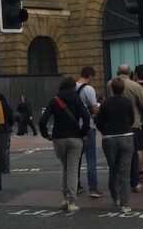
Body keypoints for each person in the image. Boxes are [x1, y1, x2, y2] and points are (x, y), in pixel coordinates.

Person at [39, 76, 91, 213]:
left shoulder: (54, 100)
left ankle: (64, 199)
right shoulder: (76, 99)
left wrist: (46, 135)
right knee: (73, 169)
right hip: (75, 137)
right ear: (73, 87)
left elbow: (42, 121)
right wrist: (84, 132)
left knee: (65, 167)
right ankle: (72, 202)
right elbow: (86, 117)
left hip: (58, 138)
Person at [106, 63, 143, 193]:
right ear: (130, 73)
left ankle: (117, 184)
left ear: (117, 72)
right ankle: (134, 182)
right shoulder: (135, 86)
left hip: (113, 124)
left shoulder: (110, 84)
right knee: (133, 154)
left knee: (116, 156)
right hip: (133, 124)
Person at [96, 77, 135, 213]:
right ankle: (125, 204)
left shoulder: (105, 104)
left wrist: (105, 131)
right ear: (123, 88)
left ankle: (115, 197)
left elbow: (98, 121)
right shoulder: (128, 102)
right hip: (126, 136)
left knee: (113, 169)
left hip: (109, 138)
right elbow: (131, 119)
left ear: (112, 88)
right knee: (125, 170)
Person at [75, 66, 101, 198]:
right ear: (90, 76)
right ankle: (93, 188)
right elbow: (93, 110)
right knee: (91, 157)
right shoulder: (88, 89)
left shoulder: (72, 87)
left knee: (76, 158)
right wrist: (98, 107)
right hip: (88, 126)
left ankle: (76, 185)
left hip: (74, 127)